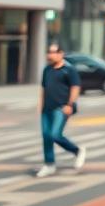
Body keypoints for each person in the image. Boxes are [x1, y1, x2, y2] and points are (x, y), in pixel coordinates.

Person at [36, 43, 86, 178]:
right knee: (46, 136)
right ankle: (49, 164)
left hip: (61, 108)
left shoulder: (69, 70)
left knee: (55, 135)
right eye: (49, 52)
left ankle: (77, 150)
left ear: (61, 53)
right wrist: (40, 106)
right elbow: (43, 89)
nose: (50, 55)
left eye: (53, 52)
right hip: (47, 108)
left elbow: (75, 88)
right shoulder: (47, 70)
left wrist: (70, 105)